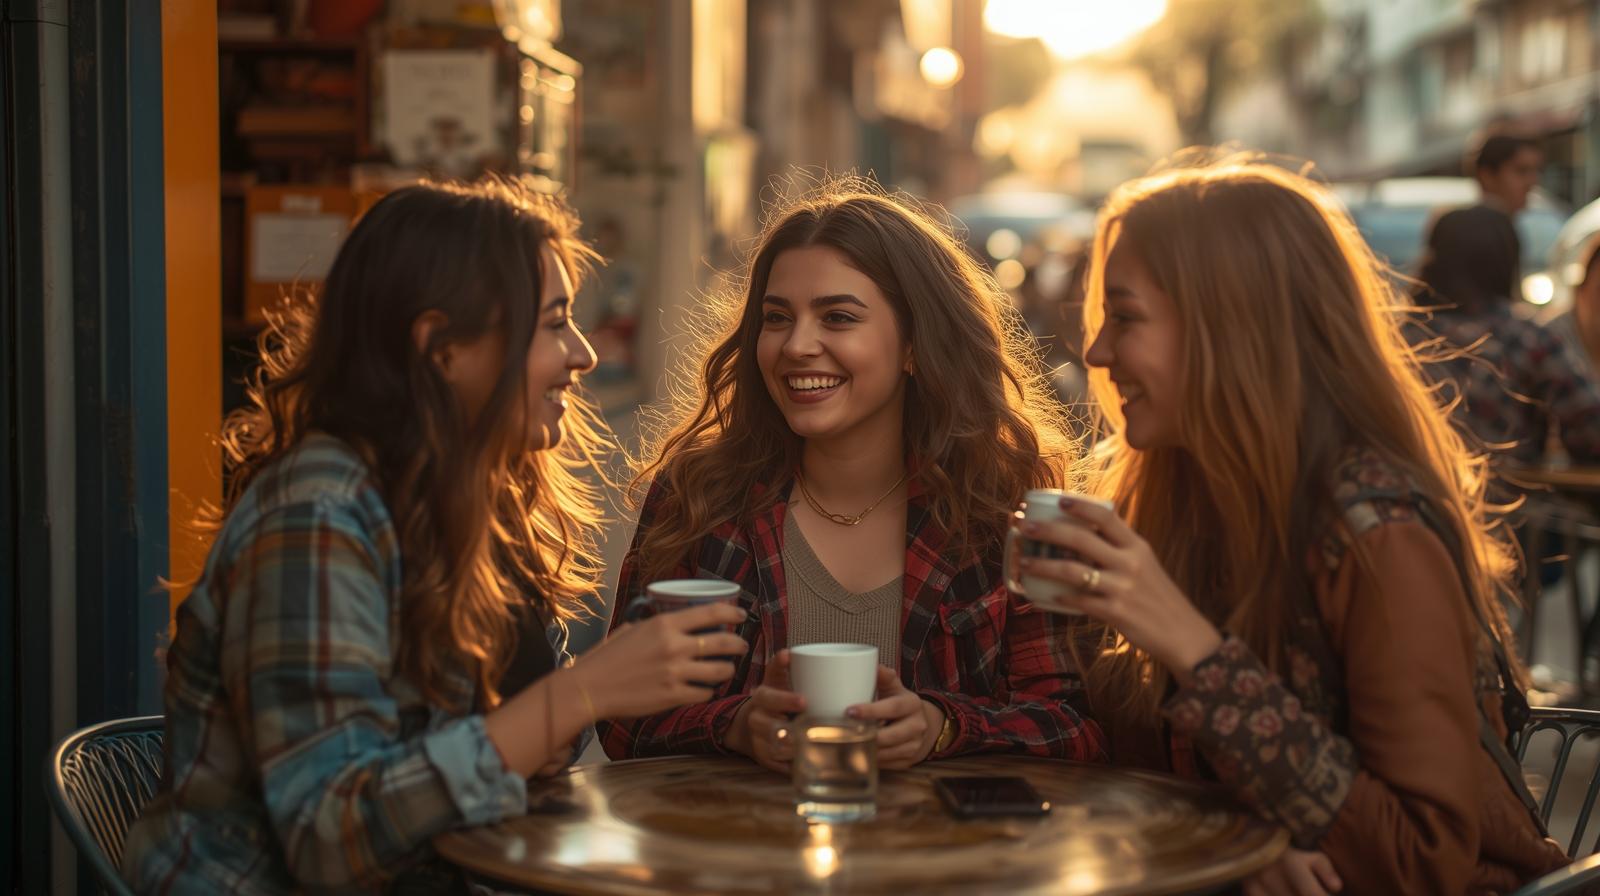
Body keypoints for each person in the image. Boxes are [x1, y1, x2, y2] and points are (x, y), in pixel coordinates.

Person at [122, 179, 748, 894]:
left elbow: (522, 748)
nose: (583, 354)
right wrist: (581, 694)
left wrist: (642, 685)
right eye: (552, 323)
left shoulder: (481, 497)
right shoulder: (319, 517)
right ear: (440, 349)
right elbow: (330, 838)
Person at [1015, 156, 1570, 893]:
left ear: (1231, 330)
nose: (1096, 352)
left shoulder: (1376, 535)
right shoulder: (1174, 495)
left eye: (1126, 318)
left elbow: (1424, 861)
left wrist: (1193, 648)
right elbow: (1148, 766)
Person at [596, 180, 1105, 770]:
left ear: (915, 344)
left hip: (952, 857)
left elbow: (1077, 727)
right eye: (777, 318)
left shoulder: (1008, 506)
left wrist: (942, 727)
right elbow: (620, 719)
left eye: (837, 317)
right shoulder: (700, 497)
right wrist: (734, 725)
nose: (797, 345)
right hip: (734, 853)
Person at [1416, 206, 1600, 469]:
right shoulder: (1527, 339)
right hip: (1503, 501)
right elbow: (1592, 434)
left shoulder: (1397, 336)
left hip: (1409, 498)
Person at [1473, 133, 1544, 217]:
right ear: (1487, 176)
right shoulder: (1475, 224)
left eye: (1537, 171)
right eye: (1521, 171)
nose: (1532, 181)